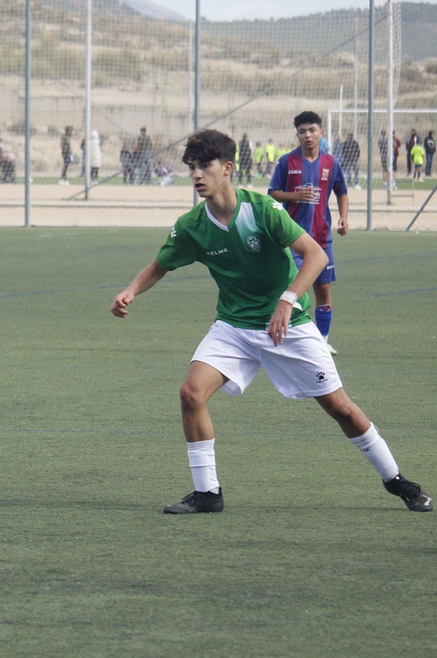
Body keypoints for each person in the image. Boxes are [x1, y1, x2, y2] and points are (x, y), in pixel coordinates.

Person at [110, 128, 430, 515]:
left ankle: (397, 481)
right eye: (191, 167)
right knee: (191, 393)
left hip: (289, 326)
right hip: (233, 327)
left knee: (340, 408)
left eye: (205, 166)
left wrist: (286, 299)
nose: (196, 174)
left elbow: (315, 256)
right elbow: (158, 266)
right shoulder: (192, 225)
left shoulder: (261, 210)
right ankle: (207, 494)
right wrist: (130, 290)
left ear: (227, 168)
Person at [268, 111, 348, 355]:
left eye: (312, 130)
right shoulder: (286, 162)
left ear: (321, 133)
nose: (307, 135)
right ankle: (292, 338)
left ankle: (323, 341)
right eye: (302, 131)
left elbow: (341, 192)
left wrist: (344, 217)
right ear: (297, 135)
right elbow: (272, 193)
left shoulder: (331, 163)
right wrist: (294, 196)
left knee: (322, 290)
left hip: (322, 238)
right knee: (293, 289)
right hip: (292, 239)